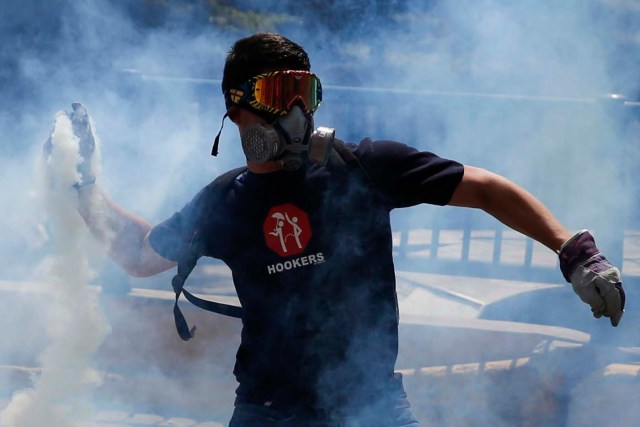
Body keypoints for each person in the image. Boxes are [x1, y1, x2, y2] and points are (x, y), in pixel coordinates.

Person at [56, 33, 624, 426]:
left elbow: (484, 188)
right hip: (267, 411)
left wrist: (573, 249)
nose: (297, 113)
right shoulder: (224, 201)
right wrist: (84, 186)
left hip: (373, 404)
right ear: (236, 111)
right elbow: (138, 253)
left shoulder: (364, 166)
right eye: (281, 97)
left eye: (305, 94)